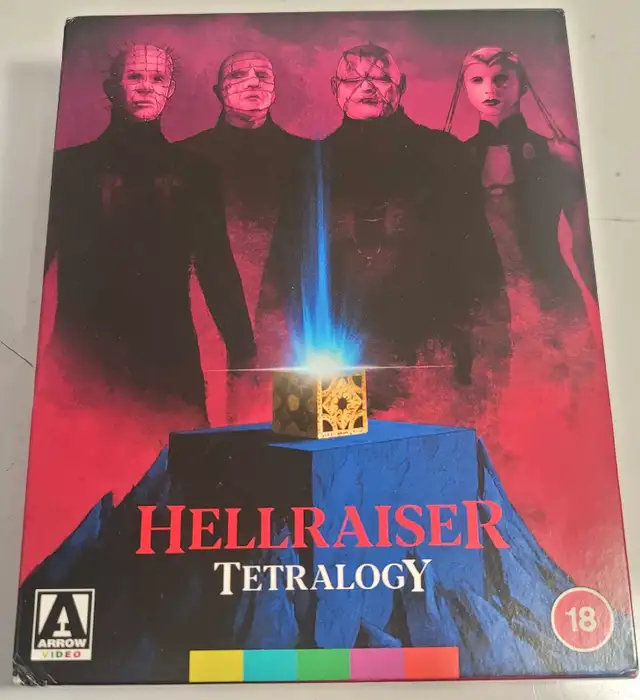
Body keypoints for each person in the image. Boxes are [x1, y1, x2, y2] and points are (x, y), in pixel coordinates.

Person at [260, 43, 508, 409]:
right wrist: (272, 350)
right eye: (353, 79)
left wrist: (491, 346)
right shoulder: (309, 162)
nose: (366, 86)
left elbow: (477, 255)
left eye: (379, 77)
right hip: (334, 351)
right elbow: (285, 263)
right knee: (340, 442)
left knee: (430, 439)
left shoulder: (442, 153)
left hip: (432, 348)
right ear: (335, 87)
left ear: (401, 85)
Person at [44, 44, 256, 424]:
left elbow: (217, 268)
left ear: (170, 90)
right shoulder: (68, 168)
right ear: (112, 86)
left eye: (157, 78)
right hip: (83, 358)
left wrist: (244, 351)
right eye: (134, 76)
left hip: (167, 359)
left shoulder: (196, 174)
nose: (146, 87)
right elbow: (34, 262)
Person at [445, 46, 598, 322]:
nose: (490, 89)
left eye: (501, 78)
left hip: (554, 305)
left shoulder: (559, 155)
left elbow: (584, 247)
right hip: (481, 309)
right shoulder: (453, 159)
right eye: (477, 80)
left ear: (522, 85)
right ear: (465, 88)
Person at [180, 50, 309, 321]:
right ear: (218, 91)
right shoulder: (183, 156)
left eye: (262, 75)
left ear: (274, 90)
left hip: (290, 315)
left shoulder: (307, 157)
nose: (252, 83)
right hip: (201, 312)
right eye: (238, 75)